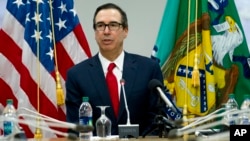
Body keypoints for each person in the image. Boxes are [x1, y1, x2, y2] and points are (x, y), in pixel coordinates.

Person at [65, 2, 164, 136]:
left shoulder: (148, 69)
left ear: (125, 31)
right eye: (100, 26)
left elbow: (156, 121)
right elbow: (75, 128)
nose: (106, 31)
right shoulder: (77, 75)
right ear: (95, 32)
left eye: (113, 25)